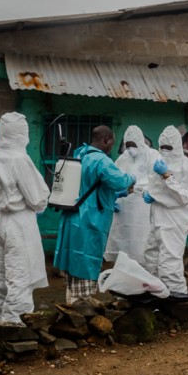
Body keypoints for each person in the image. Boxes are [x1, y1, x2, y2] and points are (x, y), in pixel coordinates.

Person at [0, 112, 51, 323]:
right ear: (22, 135)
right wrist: (41, 201)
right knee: (20, 277)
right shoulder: (19, 159)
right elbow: (36, 199)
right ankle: (14, 328)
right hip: (19, 223)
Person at [54, 126, 136, 304]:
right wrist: (132, 178)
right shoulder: (100, 160)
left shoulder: (80, 154)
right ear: (106, 139)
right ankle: (81, 304)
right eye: (111, 143)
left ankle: (72, 300)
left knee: (73, 258)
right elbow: (118, 180)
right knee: (86, 257)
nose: (111, 148)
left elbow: (89, 185)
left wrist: (113, 195)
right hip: (89, 218)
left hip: (73, 213)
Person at [142, 125, 188, 294]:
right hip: (157, 219)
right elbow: (154, 187)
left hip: (175, 222)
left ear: (177, 146)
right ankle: (154, 294)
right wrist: (148, 193)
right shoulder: (159, 164)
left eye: (169, 147)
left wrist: (167, 176)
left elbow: (184, 196)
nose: (165, 151)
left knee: (169, 263)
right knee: (151, 259)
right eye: (162, 147)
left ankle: (177, 297)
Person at [104, 125, 160, 268]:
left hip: (143, 205)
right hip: (125, 206)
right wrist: (114, 195)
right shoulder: (124, 158)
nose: (130, 149)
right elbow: (116, 177)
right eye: (127, 146)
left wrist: (143, 189)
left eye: (133, 145)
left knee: (142, 238)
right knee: (124, 237)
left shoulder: (152, 155)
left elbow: (157, 180)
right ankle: (125, 267)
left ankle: (144, 269)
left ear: (140, 143)